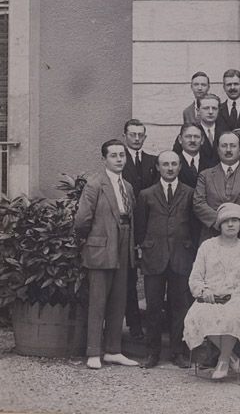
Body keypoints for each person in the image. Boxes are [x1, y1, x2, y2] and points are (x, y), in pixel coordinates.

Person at [73, 139, 139, 369]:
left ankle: (113, 350)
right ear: (104, 159)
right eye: (114, 155)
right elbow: (82, 220)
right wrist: (93, 241)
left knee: (118, 299)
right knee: (98, 301)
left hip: (124, 241)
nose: (119, 159)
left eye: (122, 155)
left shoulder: (128, 186)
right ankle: (93, 352)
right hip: (101, 245)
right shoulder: (95, 184)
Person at [134, 151, 198, 369]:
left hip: (182, 256)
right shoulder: (146, 195)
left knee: (180, 306)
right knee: (153, 306)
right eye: (165, 164)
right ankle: (152, 353)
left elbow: (194, 225)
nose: (170, 168)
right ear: (158, 168)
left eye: (173, 164)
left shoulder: (190, 193)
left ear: (180, 167)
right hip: (154, 257)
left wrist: (191, 250)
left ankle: (177, 352)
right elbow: (140, 228)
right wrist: (144, 250)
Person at [183, 203, 240, 380]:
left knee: (232, 317)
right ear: (219, 225)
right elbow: (195, 277)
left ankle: (223, 362)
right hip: (210, 297)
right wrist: (203, 290)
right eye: (226, 221)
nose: (230, 225)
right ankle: (231, 356)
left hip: (235, 297)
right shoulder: (207, 246)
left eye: (234, 221)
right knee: (196, 317)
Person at [193, 131, 240, 246]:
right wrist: (221, 221)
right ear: (218, 150)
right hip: (212, 237)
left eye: (233, 146)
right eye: (224, 146)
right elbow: (198, 203)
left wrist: (236, 221)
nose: (228, 150)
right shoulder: (205, 175)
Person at [122, 118, 158, 340]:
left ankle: (153, 325)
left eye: (140, 135)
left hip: (148, 227)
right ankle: (134, 326)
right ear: (125, 136)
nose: (136, 139)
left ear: (144, 137)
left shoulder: (153, 161)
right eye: (132, 134)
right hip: (125, 227)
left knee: (152, 277)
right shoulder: (118, 159)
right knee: (128, 279)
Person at [176, 123, 217, 188]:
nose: (192, 140)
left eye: (196, 137)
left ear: (202, 140)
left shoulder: (212, 165)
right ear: (180, 139)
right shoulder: (173, 164)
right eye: (188, 136)